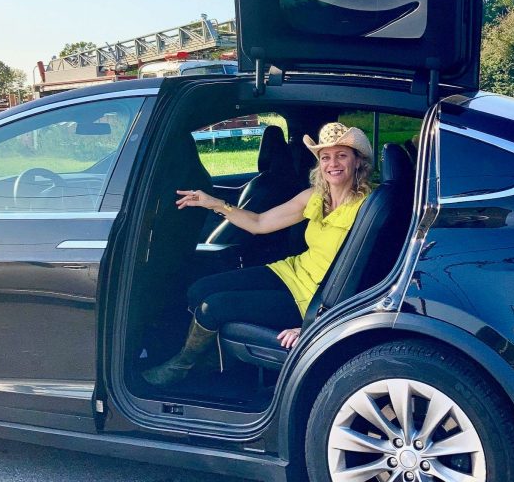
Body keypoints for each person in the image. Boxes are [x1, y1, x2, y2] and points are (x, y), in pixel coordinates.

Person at [143, 122, 374, 386]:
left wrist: (315, 324)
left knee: (213, 307)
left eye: (342, 155)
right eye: (325, 157)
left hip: (315, 299)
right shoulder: (314, 196)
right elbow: (260, 223)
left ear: (358, 162)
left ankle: (182, 365)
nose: (333, 163)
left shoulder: (366, 207)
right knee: (199, 289)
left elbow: (366, 274)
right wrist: (214, 203)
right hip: (291, 272)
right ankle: (217, 359)